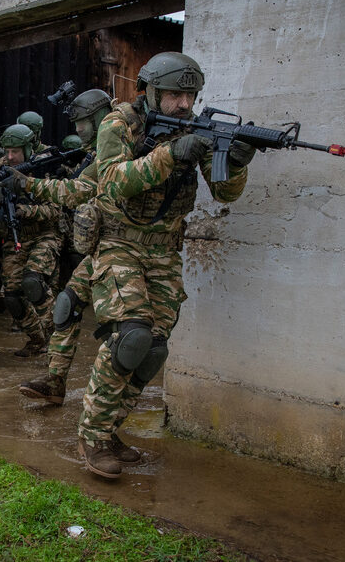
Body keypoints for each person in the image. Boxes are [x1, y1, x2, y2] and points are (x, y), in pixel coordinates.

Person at [76, 52, 257, 479]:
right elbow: (114, 181)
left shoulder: (193, 126)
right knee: (131, 336)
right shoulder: (118, 124)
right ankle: (93, 434)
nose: (183, 103)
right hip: (119, 242)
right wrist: (172, 154)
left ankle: (111, 429)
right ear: (151, 91)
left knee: (153, 349)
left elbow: (225, 194)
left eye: (190, 95)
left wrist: (235, 164)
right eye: (175, 94)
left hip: (163, 250)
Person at [2, 89, 112, 405]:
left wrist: (28, 186)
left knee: (127, 335)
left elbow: (74, 191)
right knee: (64, 307)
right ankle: (54, 383)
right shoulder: (101, 154)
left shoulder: (125, 150)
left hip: (132, 249)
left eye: (81, 123)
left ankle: (104, 410)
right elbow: (77, 187)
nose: (76, 131)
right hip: (102, 245)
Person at [0, 124, 61, 357]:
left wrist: (27, 211)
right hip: (15, 238)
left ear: (27, 148)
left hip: (44, 235)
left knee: (33, 283)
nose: (10, 156)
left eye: (15, 151)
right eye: (7, 151)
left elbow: (56, 210)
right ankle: (37, 339)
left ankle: (58, 340)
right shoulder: (2, 165)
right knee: (12, 295)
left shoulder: (44, 166)